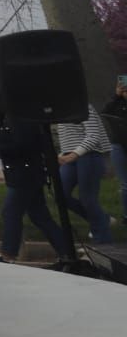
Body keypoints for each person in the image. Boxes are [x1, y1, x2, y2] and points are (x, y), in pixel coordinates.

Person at [0, 88, 69, 263]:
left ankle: (8, 254)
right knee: (40, 216)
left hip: (25, 174)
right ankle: (66, 251)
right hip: (25, 173)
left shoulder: (17, 119)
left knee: (10, 212)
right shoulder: (11, 118)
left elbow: (22, 147)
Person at [54, 103, 112, 244]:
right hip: (69, 157)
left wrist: (75, 153)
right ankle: (102, 220)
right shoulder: (57, 110)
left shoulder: (83, 107)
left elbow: (94, 135)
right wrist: (62, 154)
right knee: (61, 195)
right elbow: (67, 138)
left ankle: (103, 242)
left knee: (88, 199)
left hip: (89, 155)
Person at [100, 79, 127, 223]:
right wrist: (116, 96)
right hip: (118, 146)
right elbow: (104, 112)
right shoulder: (117, 104)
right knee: (125, 184)